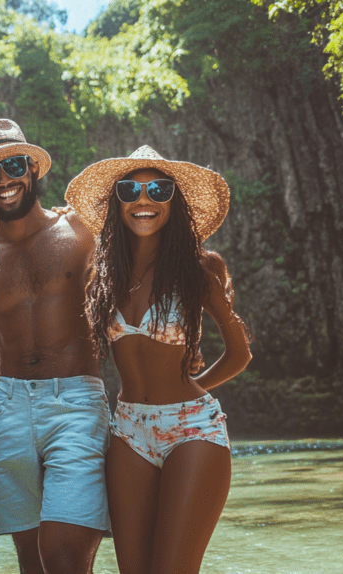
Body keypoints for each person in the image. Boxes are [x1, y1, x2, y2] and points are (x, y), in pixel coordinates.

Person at [65, 145, 253, 574]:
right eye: (131, 190)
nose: (143, 199)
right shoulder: (102, 273)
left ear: (175, 201)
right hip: (128, 429)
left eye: (159, 190)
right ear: (118, 202)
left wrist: (195, 390)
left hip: (192, 429)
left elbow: (240, 353)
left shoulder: (200, 268)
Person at [0, 119, 109, 574]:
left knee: (64, 555)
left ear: (33, 168)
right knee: (31, 560)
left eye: (12, 165)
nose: (2, 182)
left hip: (76, 401)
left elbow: (139, 273)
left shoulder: (82, 230)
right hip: (10, 408)